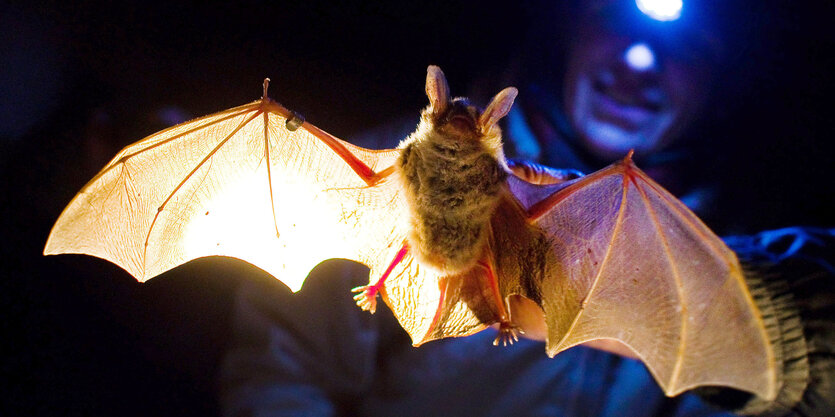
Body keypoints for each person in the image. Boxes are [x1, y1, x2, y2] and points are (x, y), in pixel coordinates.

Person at [219, 1, 834, 416]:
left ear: (720, 81)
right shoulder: (409, 171)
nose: (640, 61)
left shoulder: (720, 232)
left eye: (687, 48)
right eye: (617, 24)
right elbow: (279, 370)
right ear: (569, 36)